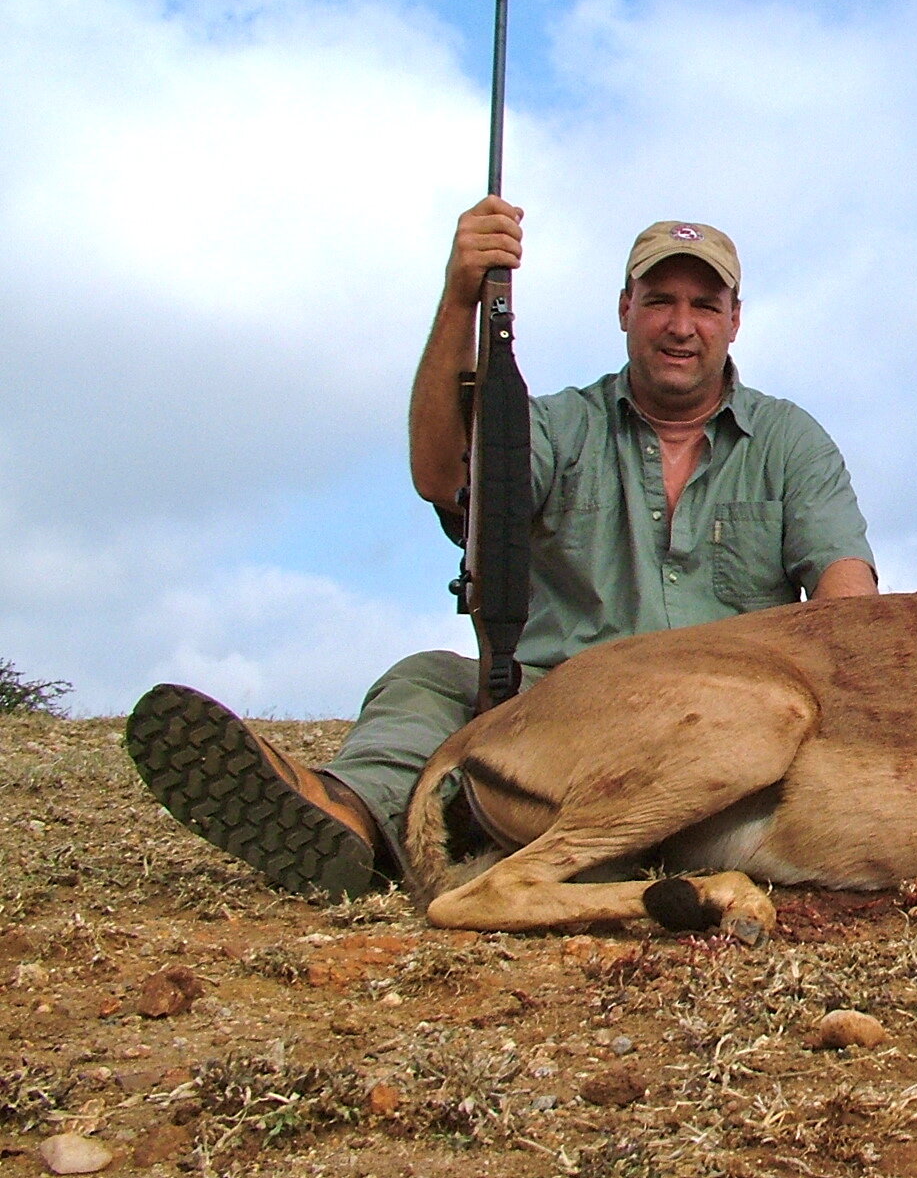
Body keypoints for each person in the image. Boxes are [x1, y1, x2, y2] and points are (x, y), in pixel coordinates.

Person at [126, 199, 877, 898]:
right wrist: (461, 297)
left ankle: (543, 836)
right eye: (660, 301)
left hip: (723, 724)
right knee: (425, 680)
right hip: (561, 702)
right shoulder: (553, 426)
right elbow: (444, 474)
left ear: (734, 321)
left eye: (704, 306)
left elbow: (845, 586)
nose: (681, 325)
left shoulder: (790, 441)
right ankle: (351, 817)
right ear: (625, 310)